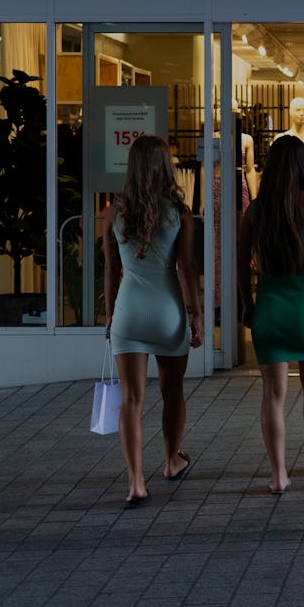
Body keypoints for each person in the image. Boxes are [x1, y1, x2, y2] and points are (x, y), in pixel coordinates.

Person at [103, 135, 204, 510]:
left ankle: (135, 482)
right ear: (165, 167)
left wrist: (111, 313)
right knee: (172, 391)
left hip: (129, 312)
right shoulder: (179, 211)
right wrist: (197, 313)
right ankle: (172, 461)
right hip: (167, 311)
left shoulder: (114, 212)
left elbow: (111, 269)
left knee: (130, 399)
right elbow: (187, 267)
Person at [237, 135, 304, 494]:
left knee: (273, 394)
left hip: (269, 307)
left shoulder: (256, 210)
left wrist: (247, 306)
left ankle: (278, 474)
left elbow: (239, 265)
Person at [274, 96, 304, 160]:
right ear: (290, 112)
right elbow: (275, 165)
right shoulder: (279, 138)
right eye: (298, 110)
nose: (302, 113)